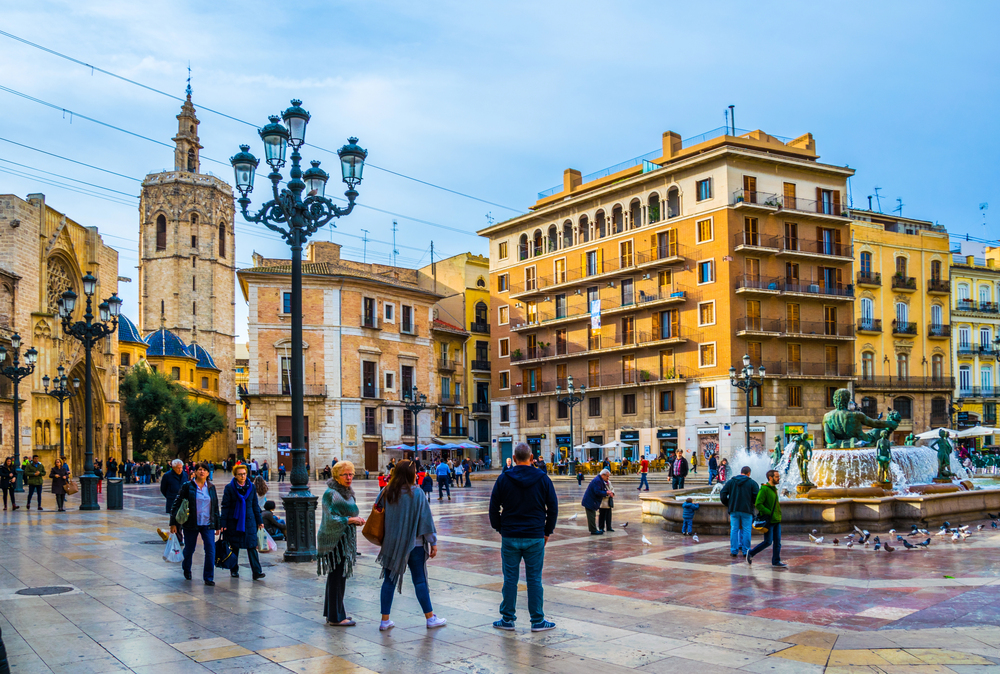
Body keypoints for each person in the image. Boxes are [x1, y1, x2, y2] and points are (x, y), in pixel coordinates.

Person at [488, 442, 558, 632]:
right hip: (535, 536)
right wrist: (547, 531)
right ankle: (537, 620)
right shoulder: (543, 479)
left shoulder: (503, 479)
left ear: (515, 459)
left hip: (510, 535)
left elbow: (493, 508)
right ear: (532, 459)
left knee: (510, 579)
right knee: (534, 579)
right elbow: (553, 508)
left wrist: (500, 528)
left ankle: (507, 619)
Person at [377, 460, 446, 631]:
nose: (416, 474)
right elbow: (426, 520)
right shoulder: (418, 493)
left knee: (389, 580)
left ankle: (384, 621)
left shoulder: (386, 492)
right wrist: (433, 542)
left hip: (391, 544)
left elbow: (377, 511)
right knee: (420, 580)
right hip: (414, 545)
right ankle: (430, 618)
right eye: (415, 471)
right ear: (409, 474)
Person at [317, 461, 364, 626]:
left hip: (344, 538)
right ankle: (336, 617)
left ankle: (334, 613)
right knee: (336, 577)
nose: (349, 477)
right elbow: (331, 519)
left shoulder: (348, 493)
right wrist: (352, 519)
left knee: (338, 577)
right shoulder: (331, 494)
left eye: (351, 474)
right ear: (337, 476)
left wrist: (356, 520)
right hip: (333, 539)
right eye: (345, 474)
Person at [170, 462, 220, 585]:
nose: (202, 472)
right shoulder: (188, 486)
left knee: (210, 549)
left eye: (204, 470)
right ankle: (186, 568)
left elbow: (215, 507)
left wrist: (218, 525)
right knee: (189, 549)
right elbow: (177, 503)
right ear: (195, 472)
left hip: (207, 524)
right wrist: (173, 523)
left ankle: (208, 577)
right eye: (199, 469)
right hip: (191, 523)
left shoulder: (211, 487)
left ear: (208, 473)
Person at [221, 464, 266, 580]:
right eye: (240, 474)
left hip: (250, 521)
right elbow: (225, 507)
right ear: (235, 475)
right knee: (234, 547)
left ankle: (257, 572)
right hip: (234, 521)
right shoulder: (229, 488)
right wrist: (223, 524)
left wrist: (259, 521)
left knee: (252, 547)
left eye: (244, 474)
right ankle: (234, 570)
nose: (242, 476)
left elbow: (255, 505)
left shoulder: (251, 487)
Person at [747, 469, 785, 568]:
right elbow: (758, 504)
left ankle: (776, 561)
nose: (779, 478)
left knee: (778, 542)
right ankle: (751, 553)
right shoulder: (764, 489)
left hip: (776, 519)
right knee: (768, 541)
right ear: (770, 478)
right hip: (769, 520)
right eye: (777, 476)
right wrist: (769, 513)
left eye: (778, 476)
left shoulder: (774, 489)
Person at [719, 466, 758, 557]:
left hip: (734, 509)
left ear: (741, 472)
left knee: (734, 529)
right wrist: (752, 503)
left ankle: (734, 550)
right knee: (747, 530)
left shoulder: (731, 482)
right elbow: (757, 497)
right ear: (749, 473)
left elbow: (723, 493)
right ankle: (746, 550)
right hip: (747, 510)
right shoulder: (752, 483)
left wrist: (728, 503)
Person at [581, 469, 611, 535]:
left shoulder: (600, 480)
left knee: (592, 515)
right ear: (603, 475)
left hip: (591, 501)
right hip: (590, 501)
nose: (608, 478)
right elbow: (597, 492)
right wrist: (606, 492)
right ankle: (593, 530)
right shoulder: (597, 481)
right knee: (591, 516)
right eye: (607, 476)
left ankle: (593, 529)